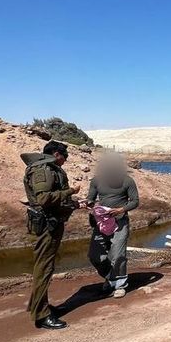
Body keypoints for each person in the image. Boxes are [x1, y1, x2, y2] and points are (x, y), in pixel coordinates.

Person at [21, 140, 81, 330]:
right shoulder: (44, 170)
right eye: (65, 157)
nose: (65, 161)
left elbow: (53, 199)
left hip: (49, 224)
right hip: (46, 227)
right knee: (44, 269)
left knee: (44, 267)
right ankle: (42, 315)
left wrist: (75, 203)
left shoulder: (48, 168)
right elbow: (43, 199)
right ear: (56, 154)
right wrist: (70, 191)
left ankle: (38, 306)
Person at [86, 153, 139, 298]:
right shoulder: (96, 181)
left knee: (118, 255)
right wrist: (89, 204)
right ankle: (111, 277)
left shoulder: (128, 181)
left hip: (120, 221)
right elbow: (90, 199)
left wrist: (121, 210)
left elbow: (135, 201)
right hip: (101, 222)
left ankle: (120, 285)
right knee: (95, 256)